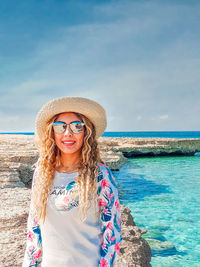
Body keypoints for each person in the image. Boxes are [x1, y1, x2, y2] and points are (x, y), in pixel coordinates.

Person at [22, 96, 122, 267]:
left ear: (86, 132)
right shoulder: (41, 174)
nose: (68, 133)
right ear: (51, 132)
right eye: (60, 126)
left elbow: (112, 235)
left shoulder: (100, 175)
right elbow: (34, 230)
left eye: (77, 126)